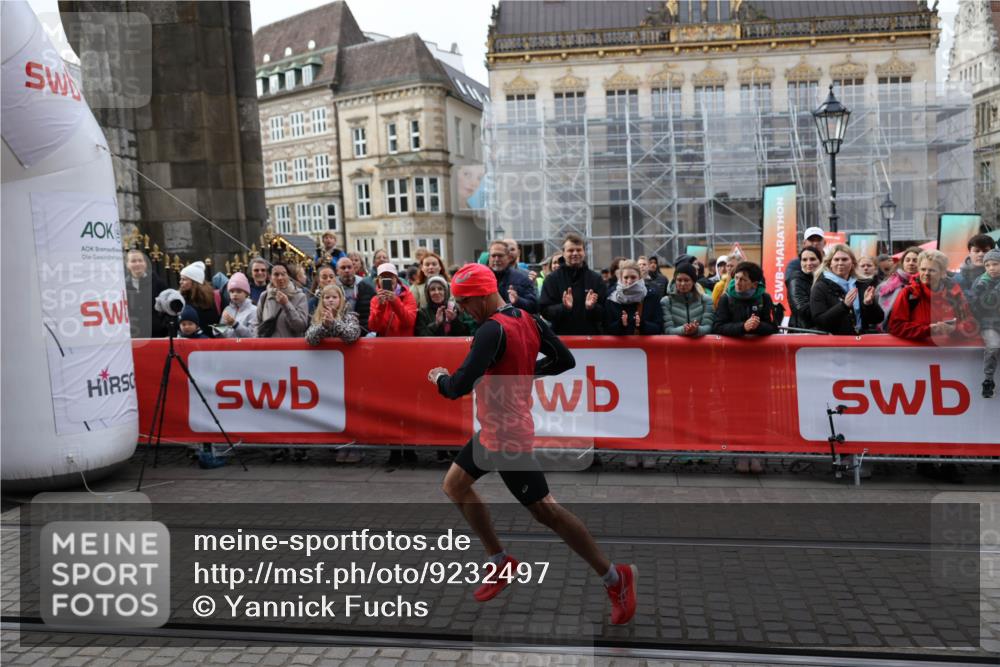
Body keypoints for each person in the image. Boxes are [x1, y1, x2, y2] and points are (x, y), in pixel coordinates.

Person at [428, 263, 637, 625]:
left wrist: (439, 379)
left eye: (464, 303)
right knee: (454, 485)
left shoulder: (490, 331)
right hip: (496, 429)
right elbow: (563, 360)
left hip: (507, 436)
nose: (463, 309)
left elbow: (459, 386)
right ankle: (500, 561)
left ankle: (616, 578)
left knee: (546, 511)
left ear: (479, 296)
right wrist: (527, 370)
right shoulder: (527, 318)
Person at [888, 249, 978, 342]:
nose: (926, 273)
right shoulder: (909, 293)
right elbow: (895, 326)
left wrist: (954, 329)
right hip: (917, 353)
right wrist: (929, 330)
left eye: (932, 270)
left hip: (949, 353)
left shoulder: (955, 293)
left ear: (943, 273)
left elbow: (970, 325)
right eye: (923, 269)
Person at [539, 234, 606, 335]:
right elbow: (544, 311)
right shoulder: (552, 279)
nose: (575, 253)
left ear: (584, 252)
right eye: (570, 250)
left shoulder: (596, 278)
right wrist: (563, 308)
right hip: (561, 338)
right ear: (563, 253)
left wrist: (592, 308)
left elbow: (606, 311)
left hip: (591, 338)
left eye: (579, 250)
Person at [809, 244, 884, 336]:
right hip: (835, 344)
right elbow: (820, 322)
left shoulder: (861, 284)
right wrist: (844, 306)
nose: (840, 263)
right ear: (830, 263)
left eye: (844, 259)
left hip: (861, 341)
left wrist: (869, 305)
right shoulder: (820, 287)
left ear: (852, 263)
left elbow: (878, 319)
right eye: (836, 259)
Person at [713, 261, 779, 338]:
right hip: (732, 348)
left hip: (758, 347)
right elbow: (717, 327)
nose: (737, 283)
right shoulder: (726, 298)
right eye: (736, 278)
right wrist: (743, 327)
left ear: (754, 284)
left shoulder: (764, 298)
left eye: (743, 280)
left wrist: (757, 325)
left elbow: (773, 327)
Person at [970, 248, 1000, 398]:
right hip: (989, 324)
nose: (991, 268)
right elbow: (976, 306)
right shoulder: (980, 282)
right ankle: (988, 380)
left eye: (995, 264)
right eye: (987, 265)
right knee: (993, 347)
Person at [604, 260, 663, 336]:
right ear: (621, 278)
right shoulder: (611, 298)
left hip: (645, 347)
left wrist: (642, 324)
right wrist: (621, 324)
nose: (629, 281)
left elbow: (658, 328)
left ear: (639, 277)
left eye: (633, 277)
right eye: (626, 277)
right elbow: (606, 329)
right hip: (619, 347)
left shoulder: (651, 296)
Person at [256, 261, 310, 338]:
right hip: (269, 347)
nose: (280, 278)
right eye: (276, 274)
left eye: (283, 274)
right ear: (270, 277)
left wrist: (286, 304)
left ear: (288, 276)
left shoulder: (300, 296)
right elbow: (257, 323)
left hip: (289, 348)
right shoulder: (264, 296)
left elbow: (300, 327)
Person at [661, 262, 714, 337]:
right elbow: (668, 330)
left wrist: (696, 330)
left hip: (701, 347)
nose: (682, 284)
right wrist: (684, 330)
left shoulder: (706, 300)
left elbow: (708, 327)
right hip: (675, 347)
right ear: (675, 281)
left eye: (686, 280)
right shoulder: (666, 302)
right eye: (679, 280)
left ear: (693, 281)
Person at [124, 249, 167, 338]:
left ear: (145, 263)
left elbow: (167, 309)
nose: (137, 264)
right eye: (133, 261)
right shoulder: (123, 285)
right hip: (132, 335)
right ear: (127, 265)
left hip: (156, 334)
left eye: (140, 260)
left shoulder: (158, 283)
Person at [368, 262, 417, 337]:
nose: (388, 280)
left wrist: (395, 301)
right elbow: (373, 327)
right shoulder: (375, 300)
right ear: (378, 280)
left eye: (391, 276)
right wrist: (380, 306)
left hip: (404, 343)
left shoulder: (408, 295)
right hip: (385, 344)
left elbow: (410, 322)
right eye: (383, 277)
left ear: (396, 279)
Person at [488, 240, 538, 314]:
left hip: (513, 323)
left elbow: (534, 307)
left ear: (508, 257)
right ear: (489, 258)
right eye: (493, 255)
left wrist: (518, 300)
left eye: (500, 256)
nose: (496, 259)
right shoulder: (481, 278)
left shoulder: (523, 278)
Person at [878, 246, 922, 329]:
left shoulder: (927, 285)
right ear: (902, 262)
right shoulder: (886, 285)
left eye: (915, 260)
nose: (911, 263)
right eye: (907, 260)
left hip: (917, 329)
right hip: (890, 332)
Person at [783, 226, 827, 310]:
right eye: (811, 240)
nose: (815, 243)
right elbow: (792, 287)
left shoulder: (832, 262)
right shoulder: (794, 264)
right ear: (804, 243)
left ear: (824, 242)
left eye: (818, 240)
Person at [179, 261, 220, 338]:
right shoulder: (181, 298)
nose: (180, 282)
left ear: (194, 281)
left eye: (184, 279)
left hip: (209, 343)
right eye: (181, 279)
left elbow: (218, 322)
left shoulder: (211, 298)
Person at [335, 256, 374, 330]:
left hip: (363, 330)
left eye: (349, 267)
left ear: (354, 269)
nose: (347, 270)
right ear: (337, 271)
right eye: (343, 268)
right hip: (339, 330)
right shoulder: (332, 289)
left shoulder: (366, 287)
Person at [788, 247, 822, 330]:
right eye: (804, 260)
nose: (809, 263)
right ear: (800, 262)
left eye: (813, 259)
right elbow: (802, 310)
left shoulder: (825, 278)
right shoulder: (796, 279)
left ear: (820, 261)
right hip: (802, 331)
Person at [218, 272, 257, 338]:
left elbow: (252, 335)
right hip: (229, 347)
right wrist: (218, 330)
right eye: (232, 291)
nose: (235, 294)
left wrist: (235, 325)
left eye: (239, 291)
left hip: (245, 347)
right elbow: (223, 336)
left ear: (246, 293)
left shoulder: (254, 310)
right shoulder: (227, 309)